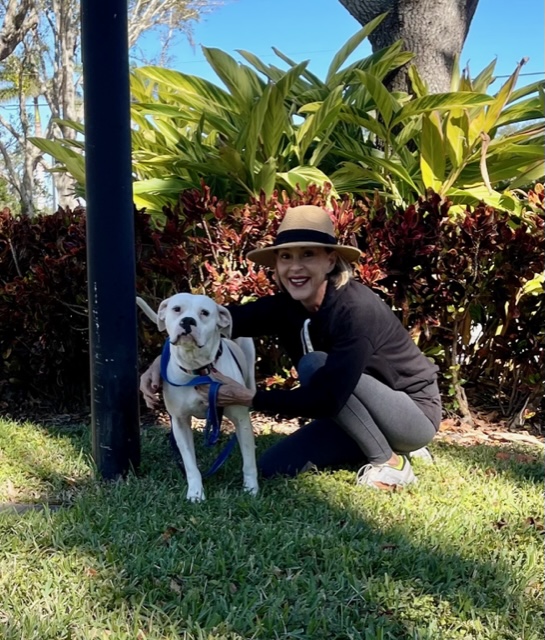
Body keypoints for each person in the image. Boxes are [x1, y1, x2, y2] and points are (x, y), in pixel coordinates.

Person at [140, 205, 442, 489]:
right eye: (285, 257)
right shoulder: (285, 307)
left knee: (315, 365)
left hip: (412, 414)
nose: (295, 268)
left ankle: (390, 460)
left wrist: (250, 397)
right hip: (348, 411)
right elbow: (209, 323)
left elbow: (327, 398)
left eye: (307, 255)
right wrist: (163, 358)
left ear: (330, 261)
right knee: (274, 467)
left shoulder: (355, 309)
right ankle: (372, 441)